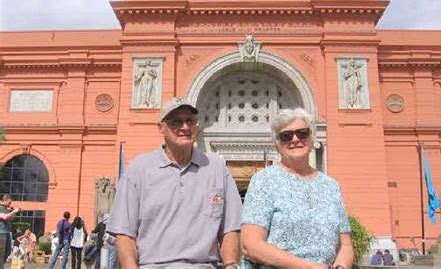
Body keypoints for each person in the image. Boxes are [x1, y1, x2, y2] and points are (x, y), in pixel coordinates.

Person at [108, 97, 242, 268]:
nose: (184, 127)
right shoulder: (138, 169)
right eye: (176, 122)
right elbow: (125, 234)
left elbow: (230, 228)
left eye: (190, 121)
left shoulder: (217, 167)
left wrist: (230, 265)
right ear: (161, 128)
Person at [241, 108, 354, 269]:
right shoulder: (264, 181)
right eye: (286, 136)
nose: (295, 139)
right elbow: (250, 245)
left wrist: (341, 266)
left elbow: (345, 246)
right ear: (277, 144)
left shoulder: (330, 185)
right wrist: (307, 266)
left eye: (302, 133)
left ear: (312, 138)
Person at [0, 194, 21, 266]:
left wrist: (13, 211)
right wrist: (14, 211)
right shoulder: (0, 207)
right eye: (9, 203)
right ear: (4, 200)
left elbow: (10, 218)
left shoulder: (5, 208)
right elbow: (4, 217)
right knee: (1, 253)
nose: (10, 204)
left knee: (8, 252)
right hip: (1, 233)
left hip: (7, 232)